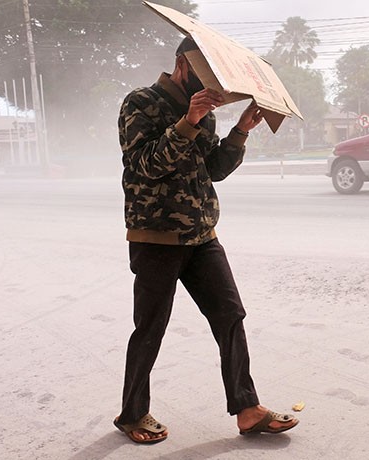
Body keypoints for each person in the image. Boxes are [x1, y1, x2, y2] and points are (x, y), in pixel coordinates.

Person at [113, 37, 298, 444]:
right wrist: (188, 121)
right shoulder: (140, 102)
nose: (212, 85)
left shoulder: (207, 112)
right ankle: (132, 413)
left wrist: (240, 131)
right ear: (183, 64)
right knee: (150, 327)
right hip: (156, 238)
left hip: (201, 236)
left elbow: (213, 169)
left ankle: (247, 409)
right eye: (204, 73)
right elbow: (144, 166)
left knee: (230, 315)